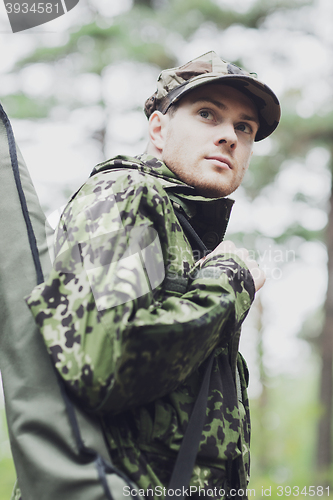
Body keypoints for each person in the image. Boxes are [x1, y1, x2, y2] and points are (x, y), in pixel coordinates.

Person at [26, 51, 280, 499]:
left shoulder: (183, 229)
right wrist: (228, 283)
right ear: (159, 130)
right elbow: (108, 359)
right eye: (208, 115)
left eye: (245, 128)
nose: (229, 137)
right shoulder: (127, 194)